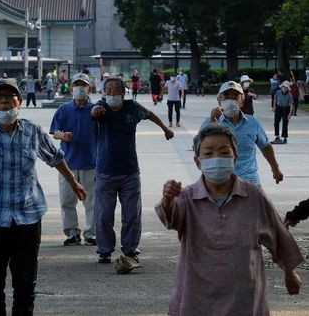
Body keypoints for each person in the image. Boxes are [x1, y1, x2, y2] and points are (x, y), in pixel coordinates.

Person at [0, 78, 86, 315]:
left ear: (19, 103)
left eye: (10, 98)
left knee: (25, 287)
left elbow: (55, 157)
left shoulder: (32, 131)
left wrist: (73, 182)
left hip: (28, 218)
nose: (5, 102)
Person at [157, 123, 303, 316]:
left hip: (242, 294)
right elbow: (171, 220)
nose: (216, 158)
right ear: (198, 161)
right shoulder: (186, 197)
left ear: (235, 158)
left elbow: (277, 233)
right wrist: (167, 199)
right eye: (208, 153)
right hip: (196, 292)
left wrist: (289, 272)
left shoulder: (254, 196)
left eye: (224, 152)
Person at [91, 77, 174, 272]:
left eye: (116, 90)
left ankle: (130, 249)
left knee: (132, 214)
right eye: (108, 90)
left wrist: (165, 128)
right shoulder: (101, 107)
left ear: (123, 92)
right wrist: (95, 111)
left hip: (130, 171)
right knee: (103, 214)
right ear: (103, 93)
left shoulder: (132, 107)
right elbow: (93, 112)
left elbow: (149, 114)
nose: (112, 94)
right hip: (105, 171)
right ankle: (105, 249)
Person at [202, 80, 283, 184]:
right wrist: (213, 123)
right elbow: (199, 148)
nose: (231, 99)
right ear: (219, 100)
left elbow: (265, 146)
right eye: (226, 96)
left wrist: (275, 168)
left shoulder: (252, 122)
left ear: (242, 101)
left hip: (249, 182)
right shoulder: (210, 122)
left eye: (235, 96)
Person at [50, 73, 97, 246]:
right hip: (67, 163)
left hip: (90, 161)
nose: (79, 88)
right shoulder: (64, 109)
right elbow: (54, 132)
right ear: (71, 89)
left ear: (89, 89)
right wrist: (63, 135)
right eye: (76, 85)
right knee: (66, 200)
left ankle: (91, 232)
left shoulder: (95, 110)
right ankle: (72, 232)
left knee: (91, 200)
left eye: (83, 85)